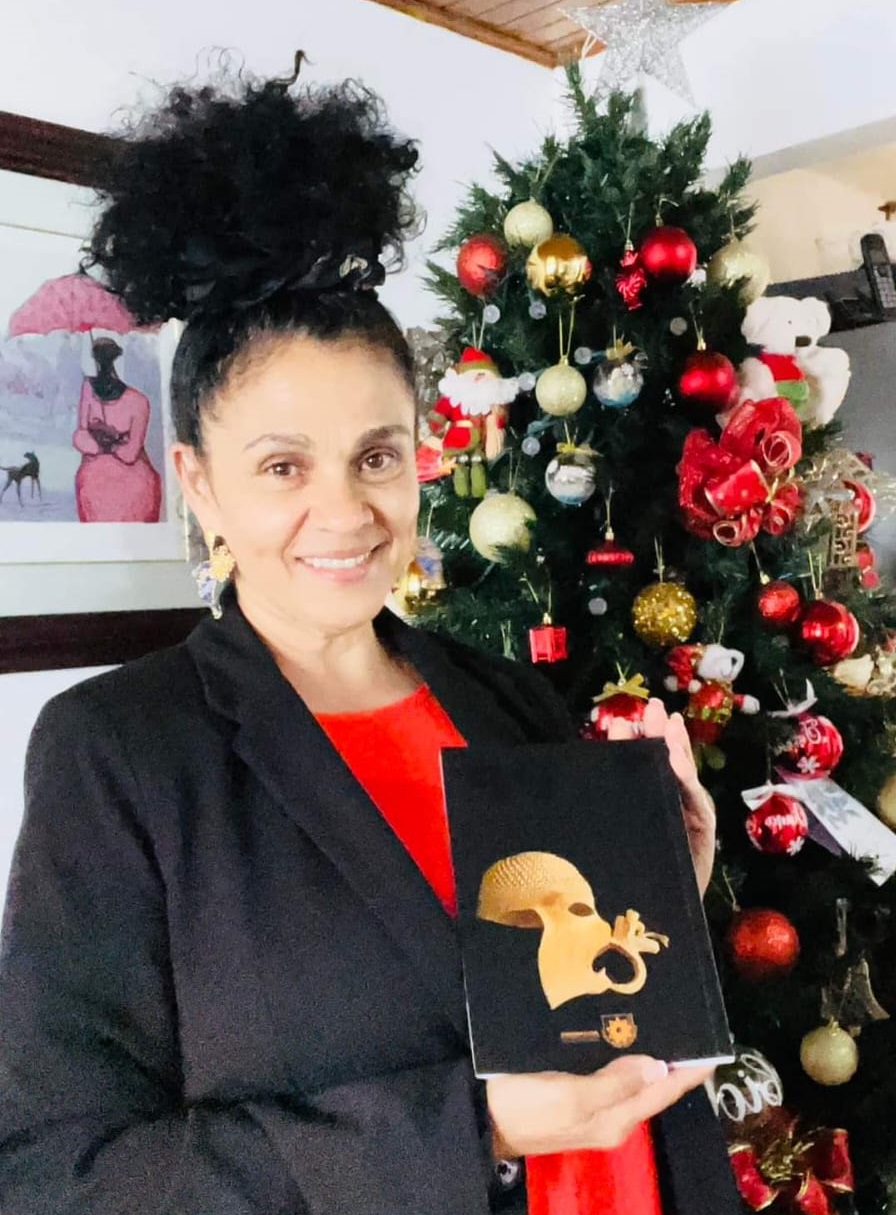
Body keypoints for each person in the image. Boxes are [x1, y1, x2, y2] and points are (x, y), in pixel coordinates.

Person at [0, 70, 740, 1215]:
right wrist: (475, 1127)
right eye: (282, 465)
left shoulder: (508, 700)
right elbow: (60, 1171)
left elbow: (579, 988)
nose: (345, 512)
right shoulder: (122, 751)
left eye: (377, 455)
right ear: (199, 481)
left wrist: (661, 877)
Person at [73, 336, 162, 521]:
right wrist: (103, 444)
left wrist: (105, 443)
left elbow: (131, 452)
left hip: (131, 478)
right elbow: (81, 436)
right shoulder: (89, 388)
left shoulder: (137, 401)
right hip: (98, 476)